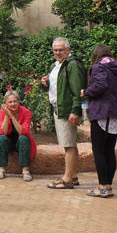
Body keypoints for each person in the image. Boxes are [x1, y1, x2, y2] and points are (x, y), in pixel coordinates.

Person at [82, 45, 117, 197]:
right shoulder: (115, 67)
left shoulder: (98, 67)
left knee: (99, 151)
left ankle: (102, 187)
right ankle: (108, 186)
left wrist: (86, 91)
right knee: (109, 150)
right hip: (115, 112)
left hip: (102, 112)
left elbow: (101, 85)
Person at [41, 37, 85, 190]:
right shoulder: (58, 65)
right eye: (55, 50)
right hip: (59, 108)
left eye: (61, 49)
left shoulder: (72, 65)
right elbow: (60, 86)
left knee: (68, 145)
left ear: (68, 49)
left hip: (66, 111)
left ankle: (67, 179)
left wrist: (75, 110)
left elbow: (77, 90)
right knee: (70, 144)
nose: (58, 52)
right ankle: (73, 176)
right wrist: (47, 82)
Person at [0, 91, 34, 182]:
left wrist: (11, 116)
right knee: (1, 139)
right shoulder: (2, 112)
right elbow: (2, 131)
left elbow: (22, 131)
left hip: (21, 143)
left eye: (15, 101)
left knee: (23, 138)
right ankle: (1, 169)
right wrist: (7, 115)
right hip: (8, 143)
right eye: (10, 102)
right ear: (6, 104)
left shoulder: (26, 112)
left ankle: (25, 171)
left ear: (19, 102)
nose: (13, 104)